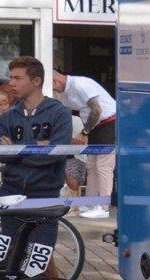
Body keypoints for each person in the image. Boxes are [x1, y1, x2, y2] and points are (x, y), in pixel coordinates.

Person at [0, 56, 71, 276]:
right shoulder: (8, 116)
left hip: (44, 193)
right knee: (12, 254)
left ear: (36, 81)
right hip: (10, 192)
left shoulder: (59, 112)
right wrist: (35, 147)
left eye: (18, 78)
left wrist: (16, 150)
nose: (12, 84)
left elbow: (56, 153)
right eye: (11, 78)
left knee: (40, 257)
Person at [51, 69, 114, 219]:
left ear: (56, 81)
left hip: (110, 122)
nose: (54, 91)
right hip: (95, 126)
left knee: (103, 166)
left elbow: (97, 110)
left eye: (53, 87)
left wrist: (84, 132)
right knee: (91, 166)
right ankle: (90, 204)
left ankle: (103, 207)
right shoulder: (65, 93)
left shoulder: (80, 84)